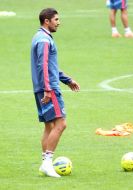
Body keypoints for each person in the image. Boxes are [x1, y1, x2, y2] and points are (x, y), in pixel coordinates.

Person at [31, 8, 80, 178]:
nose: (59, 22)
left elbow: (49, 66)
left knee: (49, 126)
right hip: (48, 89)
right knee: (61, 124)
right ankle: (47, 163)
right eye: (56, 20)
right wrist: (48, 89)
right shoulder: (44, 40)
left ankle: (45, 163)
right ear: (47, 21)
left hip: (41, 88)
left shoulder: (39, 37)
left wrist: (67, 79)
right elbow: (43, 66)